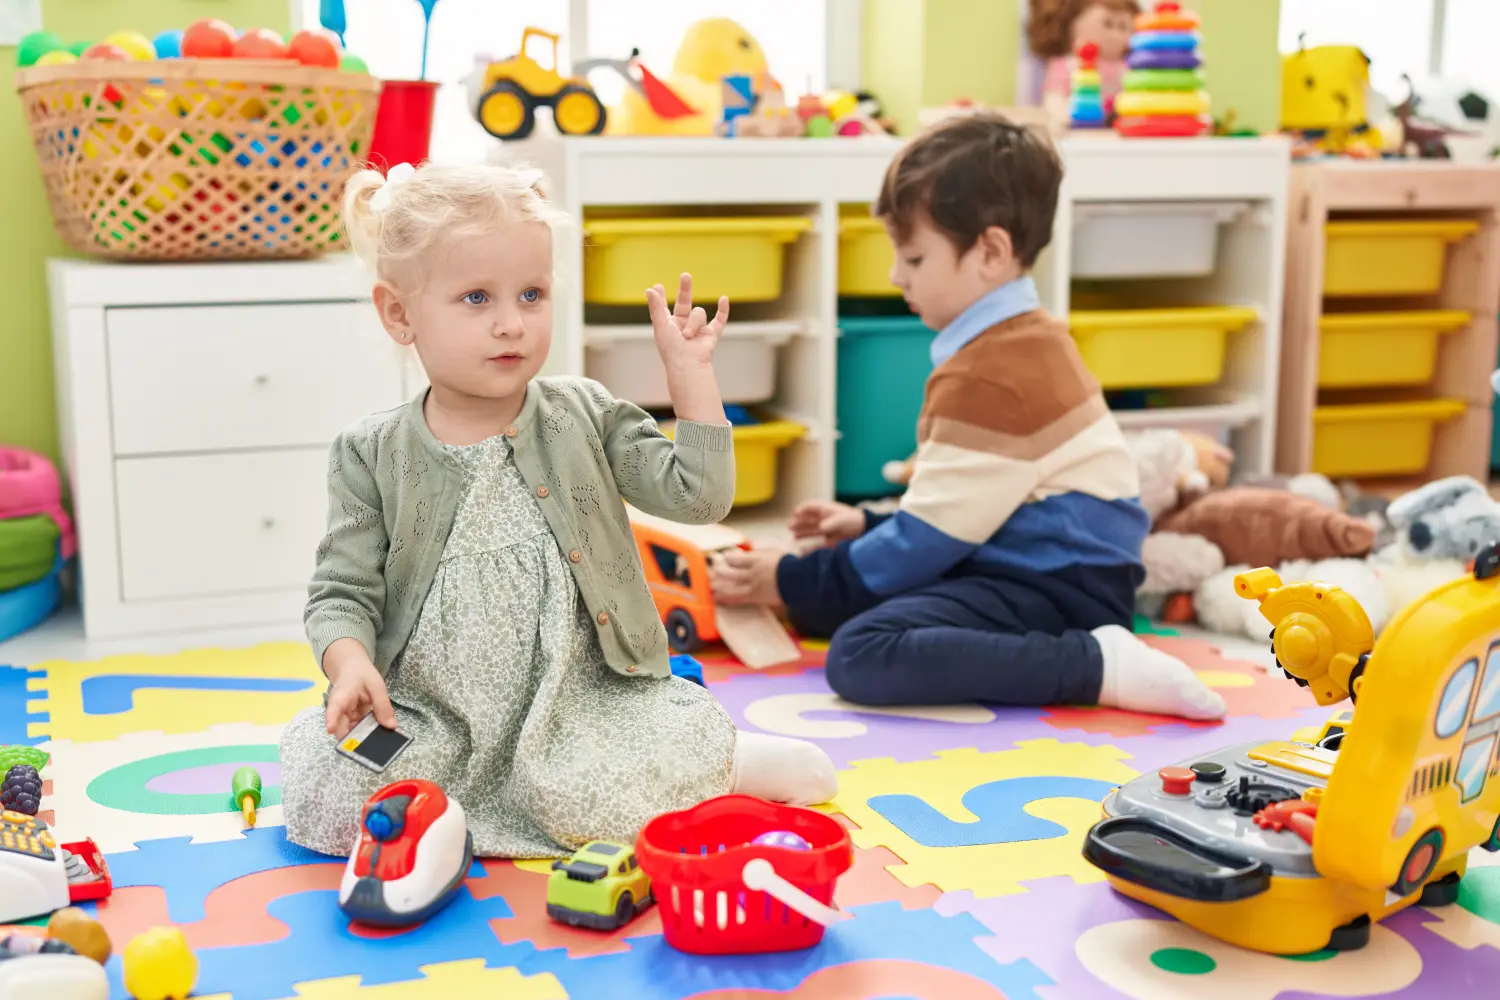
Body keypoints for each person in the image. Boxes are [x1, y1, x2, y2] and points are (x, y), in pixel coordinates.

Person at [279, 162, 835, 859]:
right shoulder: (370, 451)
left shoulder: (585, 414)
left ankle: (728, 762)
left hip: (580, 704)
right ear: (399, 313)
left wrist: (692, 382)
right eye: (476, 298)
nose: (512, 323)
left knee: (599, 775)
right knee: (326, 791)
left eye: (531, 294)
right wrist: (349, 661)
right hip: (435, 716)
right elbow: (342, 589)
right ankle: (456, 812)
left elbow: (699, 497)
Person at [709, 113, 1225, 722]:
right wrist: (868, 522)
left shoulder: (992, 370)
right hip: (1035, 560)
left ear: (991, 252)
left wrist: (793, 579)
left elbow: (928, 542)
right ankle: (1085, 651)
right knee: (840, 597)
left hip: (1056, 586)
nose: (897, 276)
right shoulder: (1019, 340)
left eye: (915, 258)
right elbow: (974, 500)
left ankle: (1094, 665)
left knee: (863, 653)